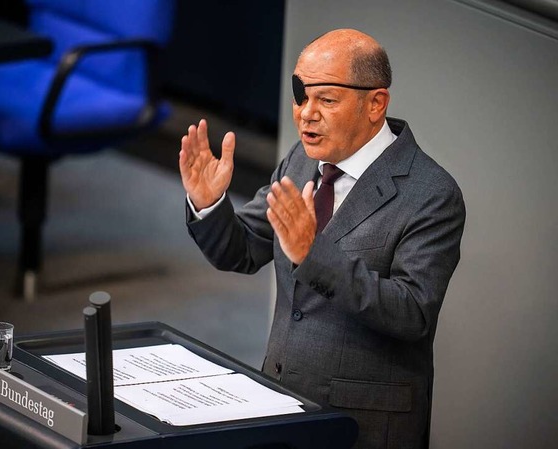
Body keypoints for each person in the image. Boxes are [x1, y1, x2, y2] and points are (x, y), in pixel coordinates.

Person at [178, 29, 465, 449]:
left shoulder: (432, 194)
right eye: (300, 95)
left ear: (376, 103)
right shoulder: (300, 159)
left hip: (363, 426)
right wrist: (209, 204)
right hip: (280, 404)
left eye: (326, 100)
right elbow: (242, 250)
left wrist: (313, 254)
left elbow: (412, 313)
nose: (306, 114)